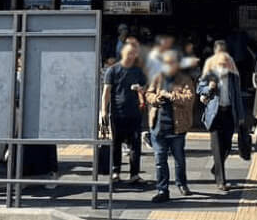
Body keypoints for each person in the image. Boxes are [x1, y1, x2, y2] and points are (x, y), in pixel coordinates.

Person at [145, 50, 195, 203]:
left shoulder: (184, 79)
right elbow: (148, 94)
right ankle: (162, 189)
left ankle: (182, 183)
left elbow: (190, 98)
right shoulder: (157, 77)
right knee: (160, 160)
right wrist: (155, 99)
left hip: (177, 127)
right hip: (158, 126)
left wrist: (171, 96)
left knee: (179, 158)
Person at [100, 39, 148, 187]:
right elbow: (106, 92)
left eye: (133, 54)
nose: (131, 56)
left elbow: (145, 87)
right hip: (117, 112)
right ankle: (116, 171)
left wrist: (140, 89)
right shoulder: (113, 70)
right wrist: (104, 111)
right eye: (129, 54)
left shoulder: (138, 71)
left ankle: (134, 174)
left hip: (134, 112)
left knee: (135, 144)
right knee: (116, 143)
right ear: (123, 54)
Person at [198, 43, 243, 191]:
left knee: (227, 146)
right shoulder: (210, 72)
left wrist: (241, 116)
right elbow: (199, 88)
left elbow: (237, 96)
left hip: (228, 112)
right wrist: (208, 88)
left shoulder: (233, 75)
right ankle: (221, 181)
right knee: (217, 148)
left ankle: (216, 167)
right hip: (214, 114)